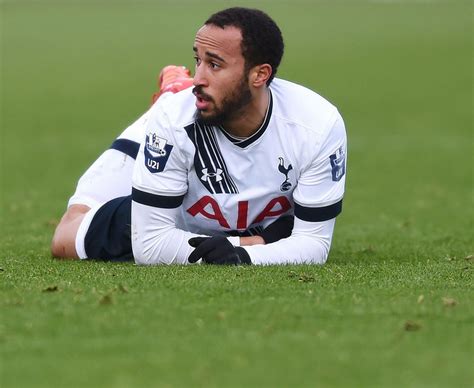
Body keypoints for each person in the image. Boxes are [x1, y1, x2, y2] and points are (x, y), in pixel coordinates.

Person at [52, 7, 347, 265]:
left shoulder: (317, 126)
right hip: (168, 157)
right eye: (198, 61)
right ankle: (172, 92)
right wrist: (250, 246)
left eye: (215, 65)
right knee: (66, 239)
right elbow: (151, 244)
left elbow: (313, 245)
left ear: (260, 75)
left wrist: (241, 257)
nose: (199, 78)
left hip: (223, 207)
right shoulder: (171, 121)